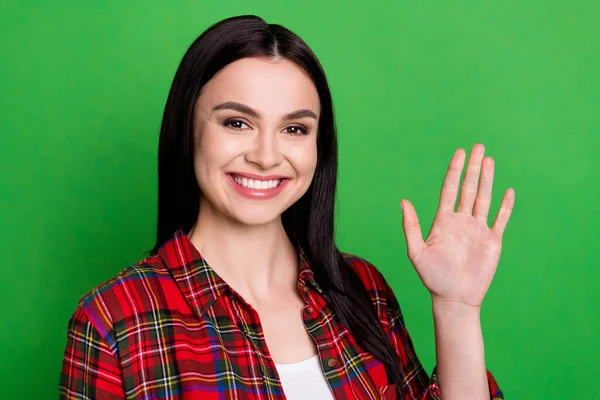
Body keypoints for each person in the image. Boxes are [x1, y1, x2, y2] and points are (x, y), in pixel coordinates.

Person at [59, 15, 514, 400]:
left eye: (295, 129)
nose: (266, 155)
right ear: (187, 129)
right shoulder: (114, 320)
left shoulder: (363, 291)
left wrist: (456, 309)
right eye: (236, 122)